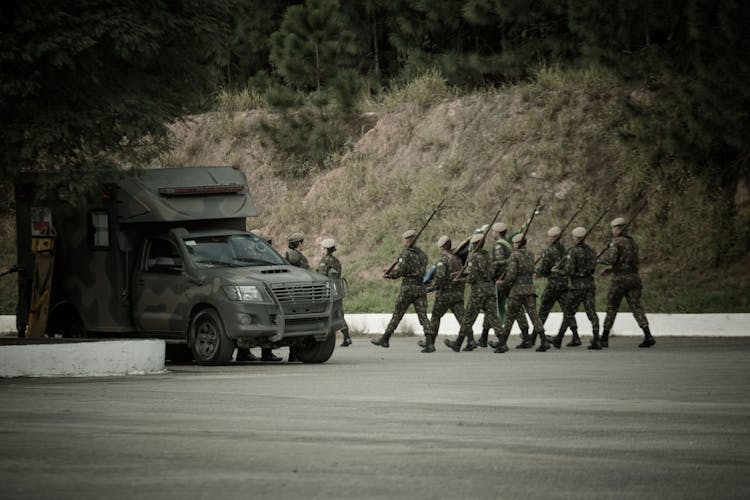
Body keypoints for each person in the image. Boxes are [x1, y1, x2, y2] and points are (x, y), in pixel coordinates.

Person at [372, 229, 434, 349]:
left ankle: (385, 339)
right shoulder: (423, 255)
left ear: (408, 240)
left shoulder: (406, 254)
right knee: (423, 316)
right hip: (420, 287)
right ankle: (430, 342)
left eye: (405, 239)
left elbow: (400, 271)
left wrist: (388, 274)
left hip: (408, 288)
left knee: (398, 313)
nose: (403, 241)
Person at [599, 217, 655, 348]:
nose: (612, 231)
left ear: (618, 228)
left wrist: (598, 259)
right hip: (634, 278)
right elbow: (628, 262)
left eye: (613, 228)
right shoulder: (632, 242)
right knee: (637, 307)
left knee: (612, 307)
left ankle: (604, 338)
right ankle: (648, 335)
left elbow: (611, 259)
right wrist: (610, 270)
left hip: (620, 280)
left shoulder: (616, 242)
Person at [443, 232, 499, 352]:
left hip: (478, 292)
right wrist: (463, 274)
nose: (471, 246)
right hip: (490, 289)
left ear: (476, 244)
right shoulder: (487, 256)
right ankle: (502, 342)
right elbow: (488, 273)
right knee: (493, 317)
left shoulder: (474, 257)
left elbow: (473, 277)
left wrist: (460, 279)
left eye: (473, 244)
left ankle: (458, 343)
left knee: (468, 318)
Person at [496, 233, 550, 352]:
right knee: (534, 315)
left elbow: (511, 275)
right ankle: (544, 340)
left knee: (510, 316)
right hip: (530, 289)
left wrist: (503, 283)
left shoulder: (514, 255)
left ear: (517, 244)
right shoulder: (530, 254)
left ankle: (503, 344)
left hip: (517, 291)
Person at [483, 222, 531, 348]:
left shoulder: (499, 245)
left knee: (491, 307)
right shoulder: (508, 243)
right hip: (508, 280)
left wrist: (491, 273)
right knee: (517, 309)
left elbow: (499, 262)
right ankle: (526, 336)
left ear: (497, 233)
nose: (492, 233)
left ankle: (491, 338)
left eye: (493, 231)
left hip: (501, 280)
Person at [236, 229, 281, 362]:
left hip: (252, 289)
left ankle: (244, 353)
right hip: (259, 288)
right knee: (265, 321)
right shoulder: (257, 252)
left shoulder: (241, 250)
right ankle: (265, 353)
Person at [554, 227, 601, 349]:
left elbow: (569, 270)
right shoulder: (591, 251)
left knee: (568, 313)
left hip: (576, 287)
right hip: (589, 285)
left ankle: (559, 338)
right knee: (591, 313)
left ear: (576, 238)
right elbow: (592, 268)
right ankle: (597, 339)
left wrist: (557, 271)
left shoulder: (573, 251)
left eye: (573, 237)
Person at [419, 235, 466, 353]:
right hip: (458, 294)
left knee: (435, 316)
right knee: (463, 318)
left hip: (445, 295)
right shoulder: (458, 259)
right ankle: (470, 340)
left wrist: (433, 288)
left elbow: (439, 278)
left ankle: (430, 343)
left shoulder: (442, 261)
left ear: (441, 248)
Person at [536, 226, 580, 347]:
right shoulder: (565, 250)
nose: (548, 239)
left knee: (543, 310)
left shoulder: (549, 251)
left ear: (554, 237)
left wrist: (538, 273)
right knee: (567, 310)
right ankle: (575, 335)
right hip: (564, 284)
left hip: (553, 285)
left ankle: (534, 336)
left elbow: (545, 269)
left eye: (550, 237)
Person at [317, 238, 352, 347]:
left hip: (328, 290)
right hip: (337, 289)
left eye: (322, 248)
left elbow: (321, 277)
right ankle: (346, 336)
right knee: (339, 312)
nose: (321, 249)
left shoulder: (324, 261)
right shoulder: (336, 261)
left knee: (327, 312)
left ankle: (323, 337)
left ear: (326, 249)